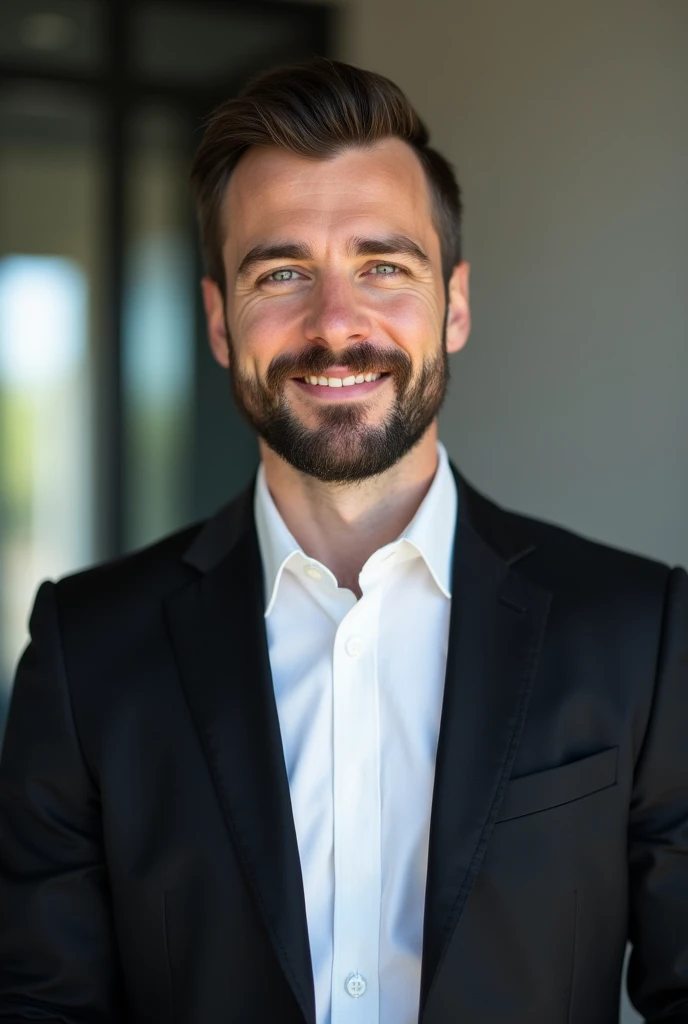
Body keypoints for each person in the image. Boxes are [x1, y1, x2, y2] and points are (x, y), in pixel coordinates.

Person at [0, 57, 686, 1024]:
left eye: (382, 266)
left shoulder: (640, 635)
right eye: (281, 272)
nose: (334, 325)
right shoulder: (87, 652)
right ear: (218, 323)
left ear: (453, 305)